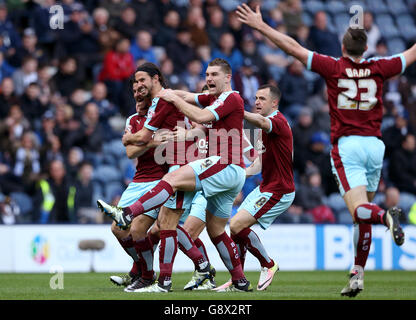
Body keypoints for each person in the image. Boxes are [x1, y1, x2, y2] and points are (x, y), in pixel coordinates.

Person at [236, 3, 416, 297]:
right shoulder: (381, 67)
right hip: (375, 144)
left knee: (361, 209)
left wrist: (261, 26)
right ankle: (357, 275)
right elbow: (411, 53)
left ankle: (386, 216)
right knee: (362, 217)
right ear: (367, 47)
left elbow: (293, 48)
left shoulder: (334, 67)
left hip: (348, 146)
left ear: (342, 46)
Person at [98, 58, 252, 293]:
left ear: (228, 77)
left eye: (214, 75)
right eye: (207, 74)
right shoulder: (211, 99)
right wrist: (175, 108)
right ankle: (239, 281)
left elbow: (198, 116)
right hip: (221, 171)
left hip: (220, 166)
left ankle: (128, 215)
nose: (209, 78)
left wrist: (171, 99)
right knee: (213, 230)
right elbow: (190, 99)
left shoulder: (229, 98)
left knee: (169, 196)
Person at [225, 84, 294, 291]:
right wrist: (238, 175)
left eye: (262, 99)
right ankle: (238, 280)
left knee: (237, 225)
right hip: (266, 187)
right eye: (256, 98)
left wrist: (238, 112)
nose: (257, 102)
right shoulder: (264, 130)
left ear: (274, 103)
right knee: (235, 229)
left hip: (279, 190)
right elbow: (258, 164)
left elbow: (262, 121)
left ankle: (268, 264)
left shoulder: (277, 122)